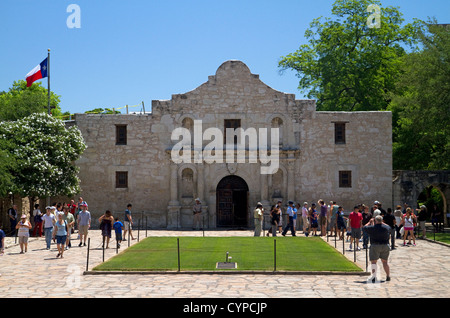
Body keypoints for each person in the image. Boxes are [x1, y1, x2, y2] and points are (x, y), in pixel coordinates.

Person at [363, 215, 391, 283]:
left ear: (375, 221)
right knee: (385, 262)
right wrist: (382, 222)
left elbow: (364, 227)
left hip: (375, 245)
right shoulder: (386, 228)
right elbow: (388, 226)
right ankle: (388, 276)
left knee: (373, 262)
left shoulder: (372, 228)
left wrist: (370, 222)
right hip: (385, 245)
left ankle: (374, 276)